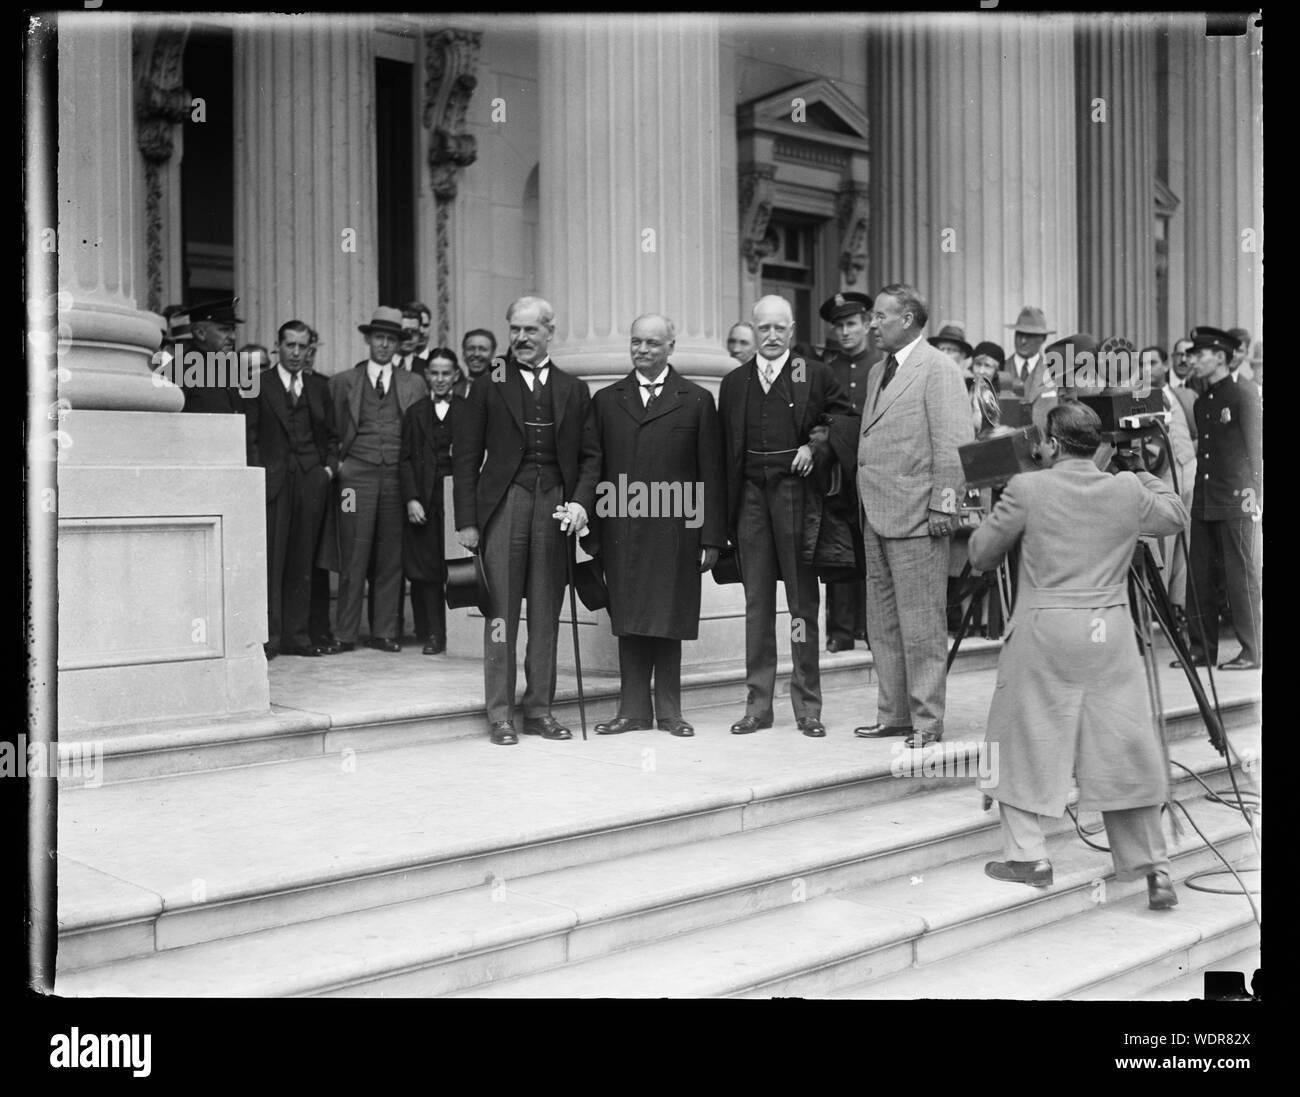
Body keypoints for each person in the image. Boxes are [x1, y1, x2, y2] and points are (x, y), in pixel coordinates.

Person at [971, 402, 1188, 910]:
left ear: (1050, 443)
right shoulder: (1126, 489)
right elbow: (1175, 513)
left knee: (1020, 737)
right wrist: (1132, 471)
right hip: (1108, 632)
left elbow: (981, 554)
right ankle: (1153, 869)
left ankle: (1029, 857)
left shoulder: (1028, 488)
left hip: (1045, 631)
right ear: (1097, 444)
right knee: (1122, 747)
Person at [453, 297, 600, 746]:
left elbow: (592, 457)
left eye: (530, 331)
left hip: (554, 504)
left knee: (545, 612)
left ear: (549, 331)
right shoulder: (489, 381)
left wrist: (580, 504)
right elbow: (465, 454)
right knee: (499, 613)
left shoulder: (573, 389)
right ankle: (500, 713)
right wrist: (467, 521)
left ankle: (539, 708)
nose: (520, 339)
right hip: (504, 504)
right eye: (514, 329)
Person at [717, 295, 854, 738]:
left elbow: (843, 419)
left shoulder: (813, 374)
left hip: (796, 497)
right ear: (753, 331)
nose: (772, 337)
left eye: (780, 329)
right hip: (750, 500)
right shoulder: (735, 382)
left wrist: (814, 446)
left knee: (801, 603)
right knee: (757, 603)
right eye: (764, 329)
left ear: (792, 331)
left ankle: (807, 706)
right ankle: (758, 705)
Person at [588, 314, 727, 738]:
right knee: (628, 617)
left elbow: (711, 474)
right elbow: (596, 467)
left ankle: (669, 712)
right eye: (636, 342)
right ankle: (632, 711)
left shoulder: (697, 400)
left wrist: (711, 537)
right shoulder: (608, 400)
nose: (643, 349)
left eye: (652, 342)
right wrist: (594, 534)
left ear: (671, 347)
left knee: (670, 618)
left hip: (676, 532)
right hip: (623, 529)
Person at [853, 284, 972, 748]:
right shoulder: (877, 371)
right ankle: (894, 713)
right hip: (876, 512)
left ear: (907, 319)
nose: (872, 324)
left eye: (880, 316)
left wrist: (943, 506)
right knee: (882, 622)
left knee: (921, 624)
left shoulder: (938, 369)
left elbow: (953, 444)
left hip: (918, 517)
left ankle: (927, 721)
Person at [327, 307, 428, 653]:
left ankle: (385, 631)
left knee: (391, 554)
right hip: (355, 476)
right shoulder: (344, 382)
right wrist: (339, 465)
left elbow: (418, 433)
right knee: (353, 551)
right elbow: (331, 429)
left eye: (392, 339)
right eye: (379, 338)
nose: (384, 345)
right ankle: (344, 632)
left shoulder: (414, 382)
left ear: (399, 345)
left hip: (397, 477)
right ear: (368, 340)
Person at [246, 320, 337, 660]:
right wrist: (257, 478)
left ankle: (298, 637)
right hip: (274, 482)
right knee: (273, 559)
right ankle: (270, 637)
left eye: (303, 347)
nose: (297, 353)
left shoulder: (318, 387)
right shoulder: (258, 383)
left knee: (303, 560)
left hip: (310, 479)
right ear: (278, 346)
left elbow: (330, 435)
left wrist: (327, 469)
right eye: (290, 345)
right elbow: (251, 436)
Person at [1180, 326, 1262, 671]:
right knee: (1198, 574)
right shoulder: (1202, 402)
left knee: (1240, 574)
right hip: (1205, 498)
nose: (1192, 361)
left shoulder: (1243, 394)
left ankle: (1252, 650)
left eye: (1199, 355)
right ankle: (1201, 649)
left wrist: (1253, 498)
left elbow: (1255, 452)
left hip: (1236, 498)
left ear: (1220, 356)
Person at [818, 291, 879, 652]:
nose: (844, 331)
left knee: (873, 548)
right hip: (840, 473)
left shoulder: (882, 364)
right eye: (838, 325)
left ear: (867, 323)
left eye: (851, 323)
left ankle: (872, 627)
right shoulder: (828, 369)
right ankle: (840, 630)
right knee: (840, 547)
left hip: (874, 467)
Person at [400, 348, 460, 655]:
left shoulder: (468, 410)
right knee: (429, 570)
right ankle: (434, 633)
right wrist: (411, 499)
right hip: (425, 500)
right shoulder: (416, 412)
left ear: (456, 376)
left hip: (457, 501)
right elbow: (406, 459)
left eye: (445, 373)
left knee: (459, 568)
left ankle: (460, 634)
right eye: (434, 373)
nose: (439, 379)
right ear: (427, 376)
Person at [1140, 344, 1197, 620]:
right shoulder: (1136, 395)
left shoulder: (1182, 394)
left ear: (1165, 366)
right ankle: (1160, 603)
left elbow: (1197, 432)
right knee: (1165, 540)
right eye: (1142, 364)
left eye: (1152, 363)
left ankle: (1180, 603)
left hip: (1189, 472)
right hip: (1161, 475)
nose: (1146, 369)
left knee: (1189, 540)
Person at [182, 297, 248, 414]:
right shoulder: (178, 370)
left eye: (233, 330)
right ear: (200, 333)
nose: (233, 337)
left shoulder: (229, 367)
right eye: (224, 330)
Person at [1000, 305, 1055, 405]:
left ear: (1043, 338)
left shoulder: (1054, 373)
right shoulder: (1001, 369)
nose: (1023, 341)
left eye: (1030, 335)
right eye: (1019, 334)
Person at [458, 328, 498, 397]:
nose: (476, 354)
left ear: (493, 355)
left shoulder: (502, 391)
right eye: (471, 349)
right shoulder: (452, 391)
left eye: (482, 349)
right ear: (463, 354)